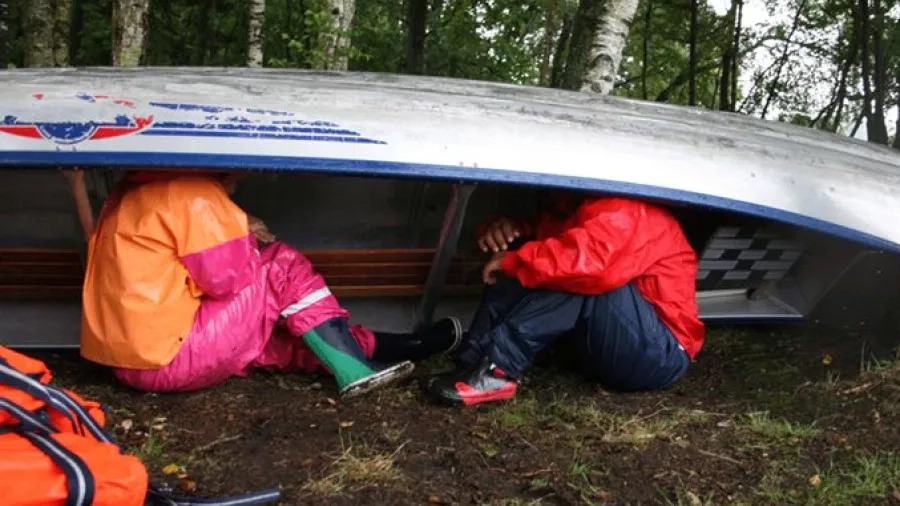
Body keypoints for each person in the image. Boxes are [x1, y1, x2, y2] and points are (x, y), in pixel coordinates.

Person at [79, 170, 461, 398]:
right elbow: (228, 281)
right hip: (173, 360)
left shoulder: (127, 193)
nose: (243, 177)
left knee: (280, 337)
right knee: (280, 264)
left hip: (126, 364)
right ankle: (355, 369)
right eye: (241, 170)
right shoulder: (194, 194)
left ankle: (413, 345)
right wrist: (245, 232)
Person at [421, 190, 705, 407]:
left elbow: (588, 265)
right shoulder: (579, 207)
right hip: (602, 346)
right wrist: (502, 230)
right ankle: (474, 360)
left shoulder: (629, 208)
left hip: (659, 356)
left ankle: (498, 371)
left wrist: (514, 261)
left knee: (579, 276)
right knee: (528, 252)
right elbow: (544, 238)